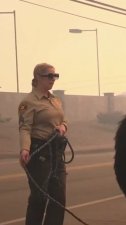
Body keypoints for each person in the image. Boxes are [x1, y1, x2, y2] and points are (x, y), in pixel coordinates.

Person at [19, 63, 68, 225]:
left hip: (56, 152)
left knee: (59, 198)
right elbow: (25, 128)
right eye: (49, 76)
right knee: (40, 197)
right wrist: (25, 149)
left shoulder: (55, 100)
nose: (53, 79)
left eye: (55, 76)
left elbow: (64, 120)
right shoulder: (28, 102)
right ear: (38, 77)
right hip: (38, 152)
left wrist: (63, 127)